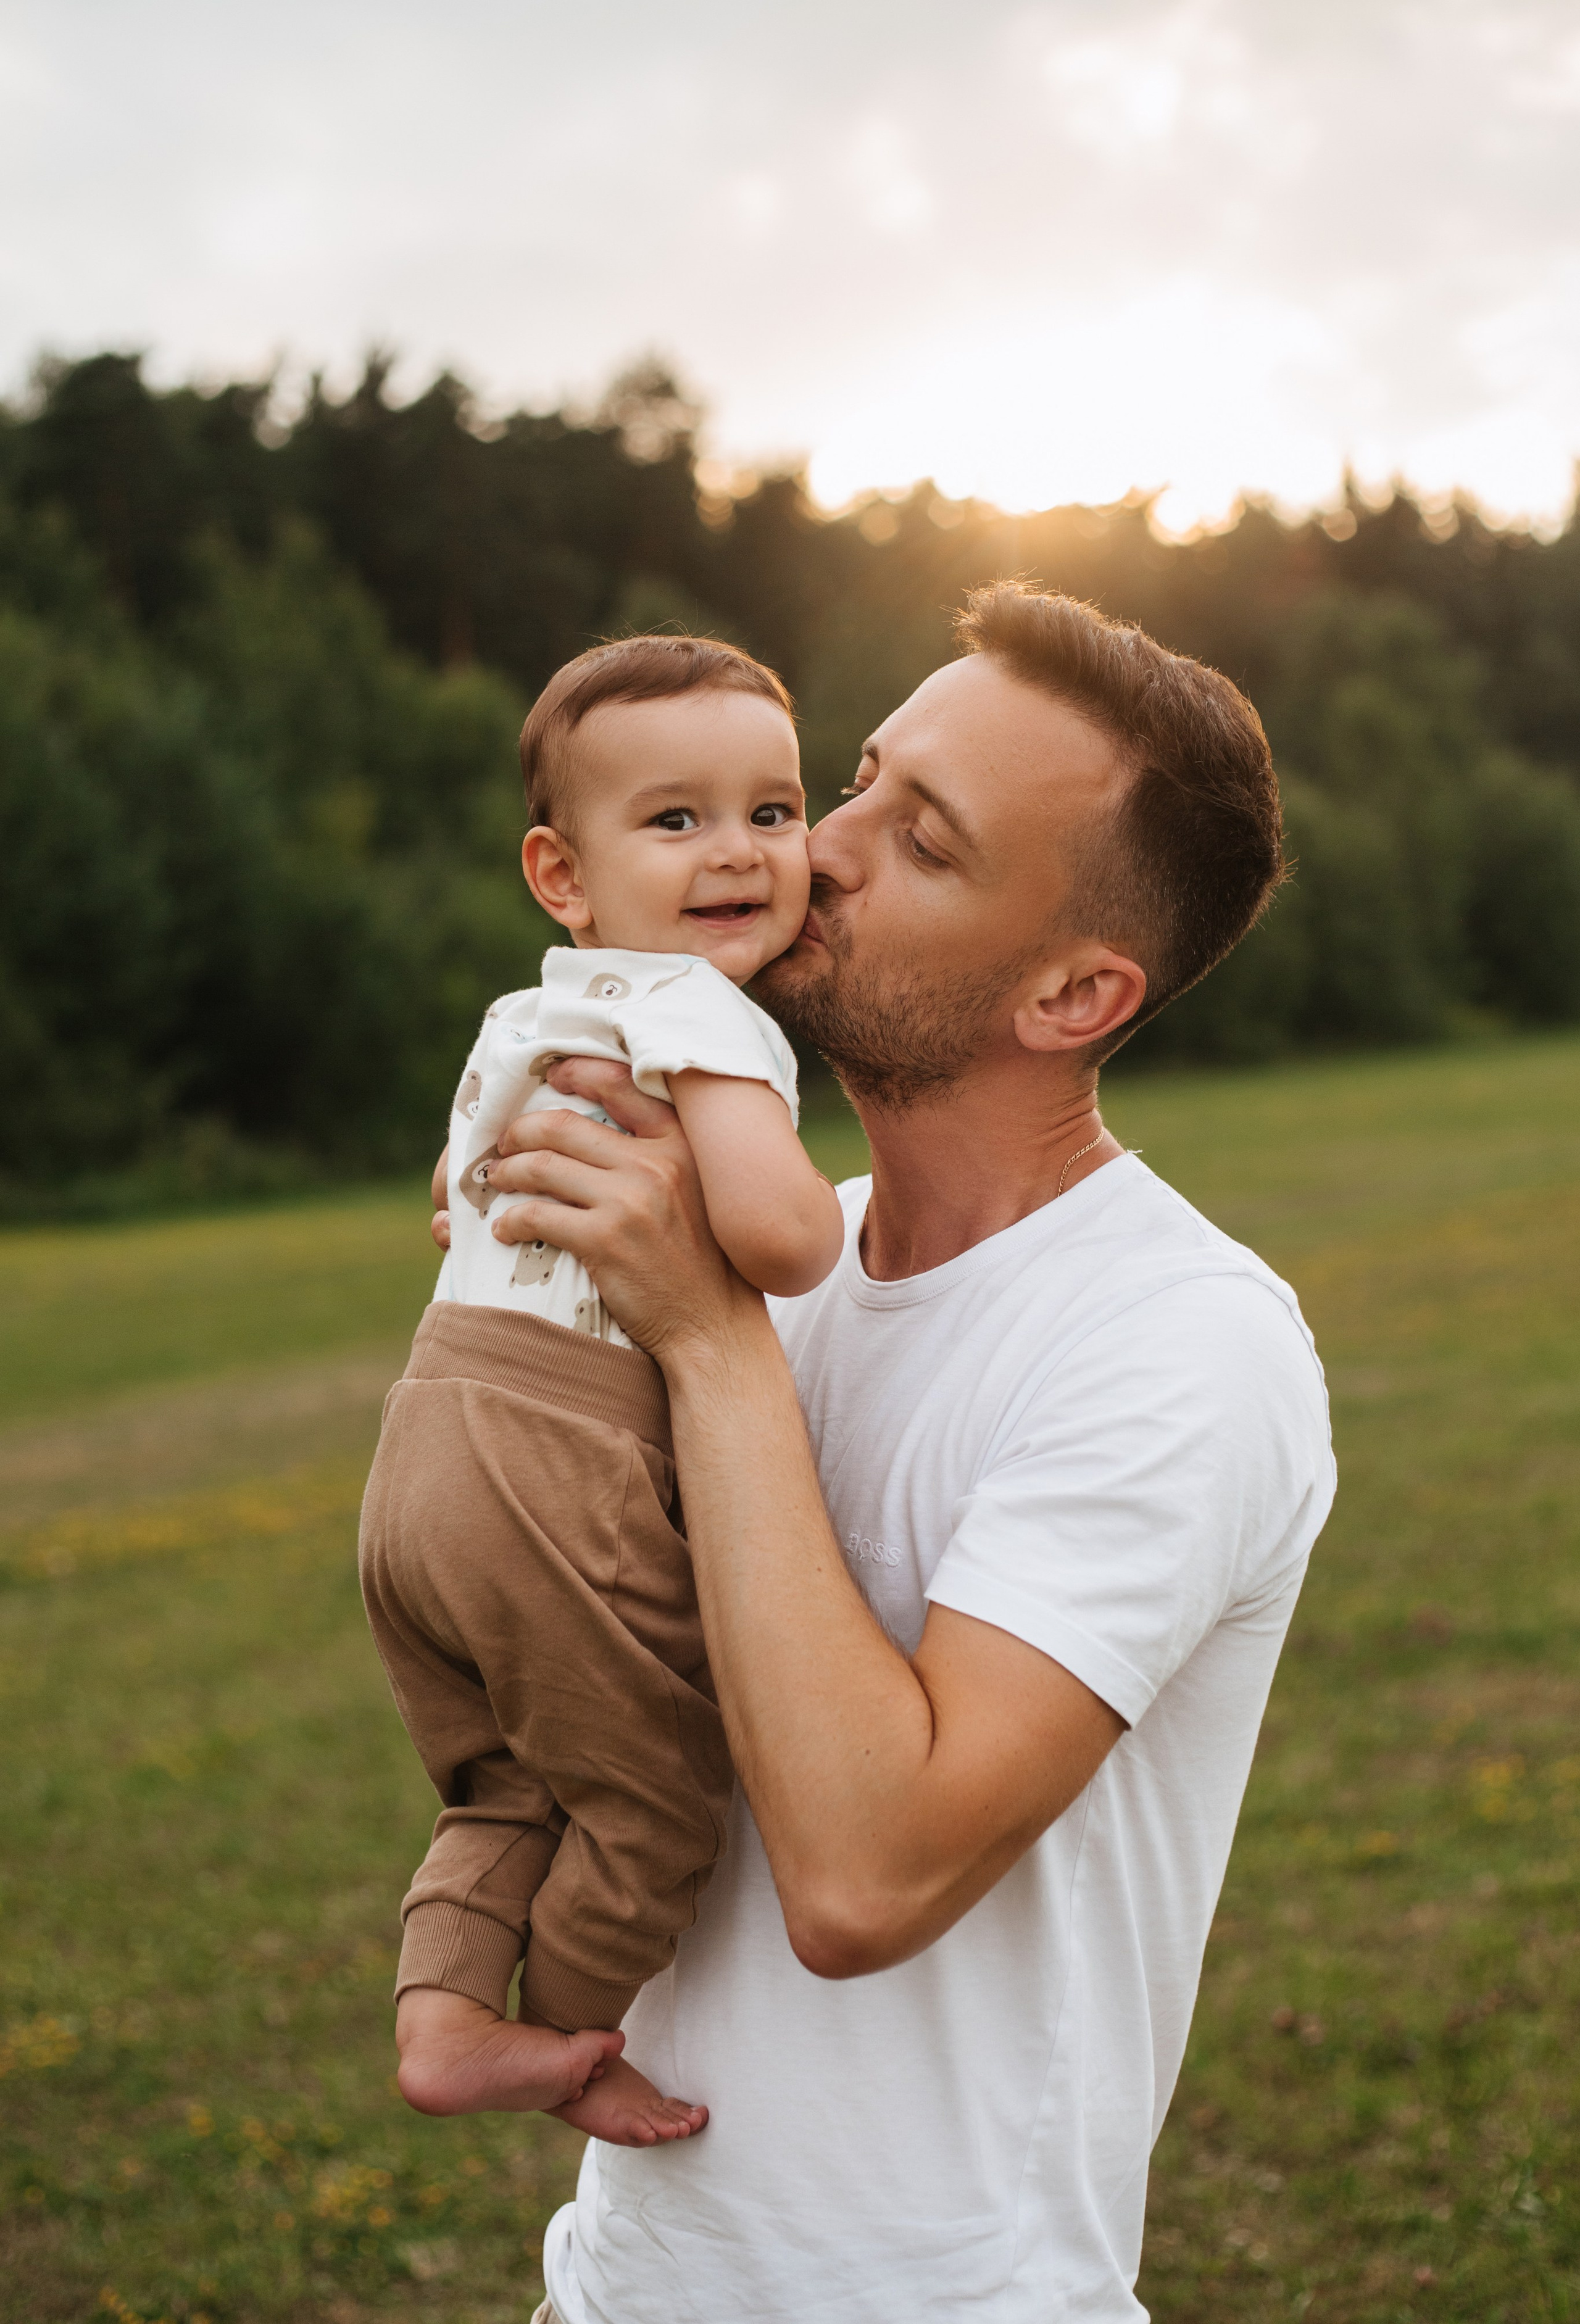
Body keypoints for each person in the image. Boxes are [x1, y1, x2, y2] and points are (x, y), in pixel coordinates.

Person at [463, 582, 1337, 2324]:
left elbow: (868, 1877)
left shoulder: (1181, 1342)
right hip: (615, 2285)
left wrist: (709, 1345)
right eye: (853, 782)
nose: (817, 848)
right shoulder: (767, 1243)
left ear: (1076, 989)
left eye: (917, 839)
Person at [360, 635, 844, 2151]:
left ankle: (441, 2019)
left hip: (427, 1440)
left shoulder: (531, 1012)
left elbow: (454, 1189)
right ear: (561, 872)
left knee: (504, 1783)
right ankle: (568, 2034)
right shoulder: (697, 1014)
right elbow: (782, 1236)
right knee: (652, 1791)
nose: (737, 854)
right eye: (676, 818)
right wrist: (818, 1200)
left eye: (772, 812)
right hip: (558, 1461)